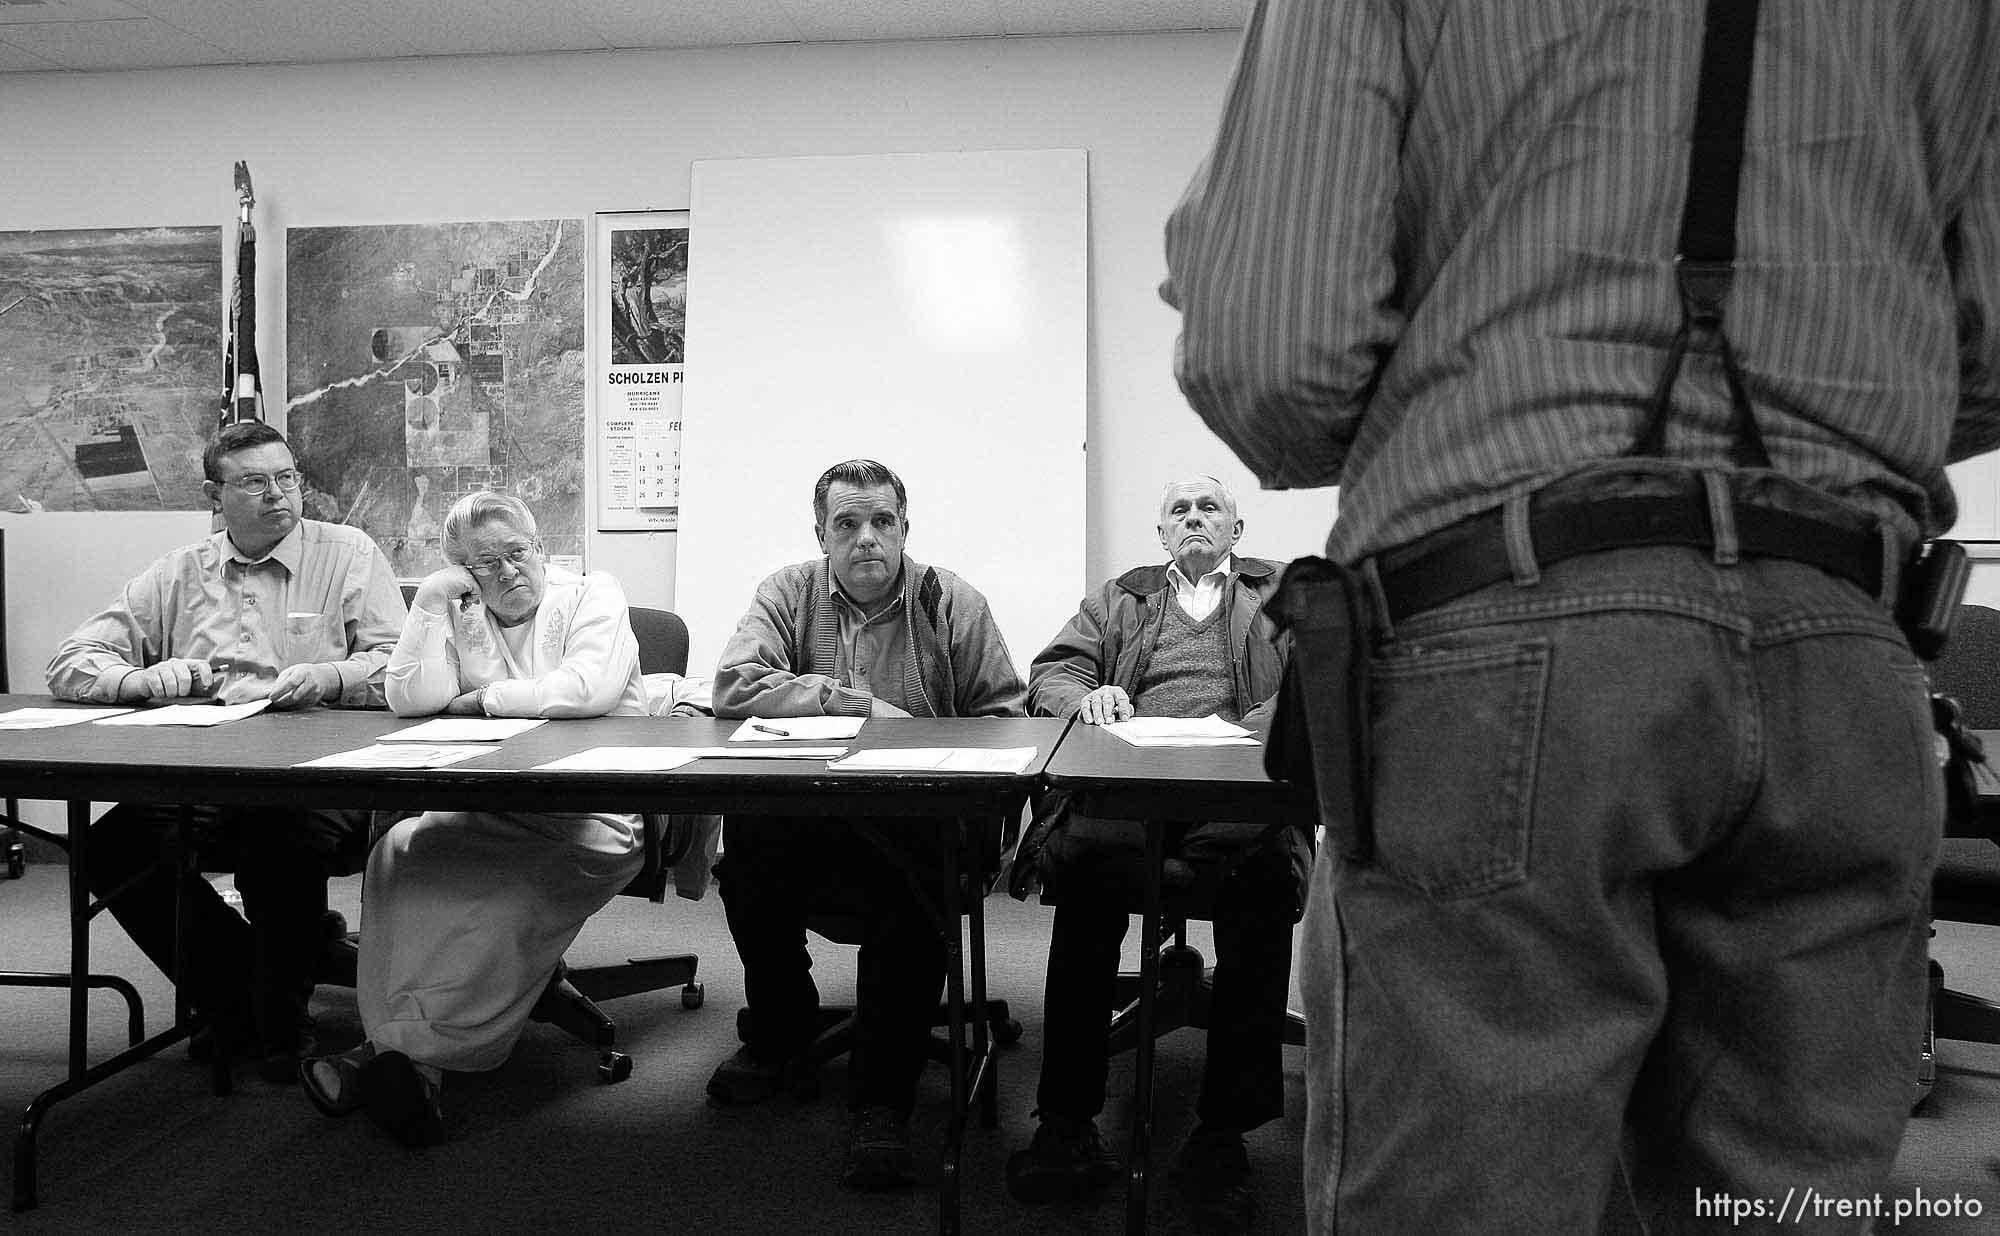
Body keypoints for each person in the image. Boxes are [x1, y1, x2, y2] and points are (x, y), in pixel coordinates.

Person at [1162, 2, 2000, 1231]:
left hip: (1503, 636)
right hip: (1846, 640)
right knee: (1786, 1206)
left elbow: (1270, 356)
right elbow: (1979, 360)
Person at [45, 420, 404, 1082]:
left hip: (316, 775)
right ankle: (240, 998)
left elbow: (401, 668)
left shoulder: (348, 554)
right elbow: (71, 659)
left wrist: (332, 677)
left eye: (288, 477)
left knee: (281, 836)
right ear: (216, 495)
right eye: (255, 482)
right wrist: (137, 679)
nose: (278, 495)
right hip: (205, 766)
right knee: (113, 848)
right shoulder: (181, 572)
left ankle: (277, 1021)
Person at [708, 458, 1025, 1190]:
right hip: (812, 815)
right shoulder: (787, 592)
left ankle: (883, 1101)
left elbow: (1008, 724)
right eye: (846, 524)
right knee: (748, 844)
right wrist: (853, 703)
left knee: (910, 882)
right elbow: (733, 684)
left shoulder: (952, 603)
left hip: (925, 820)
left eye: (882, 521)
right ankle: (783, 1031)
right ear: (820, 532)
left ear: (905, 528)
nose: (866, 539)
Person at [298, 491, 648, 1147]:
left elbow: (586, 689)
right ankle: (405, 1059)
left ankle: (392, 1057)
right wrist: (431, 601)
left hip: (587, 817)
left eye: (519, 553)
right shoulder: (456, 608)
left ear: (541, 549)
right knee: (398, 852)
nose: (510, 571)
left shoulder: (593, 593)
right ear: (463, 572)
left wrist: (481, 698)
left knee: (500, 898)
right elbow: (410, 697)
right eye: (486, 564)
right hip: (481, 806)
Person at [1007, 476, 1308, 1232]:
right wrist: (1087, 697)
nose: (1196, 518)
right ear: (1162, 533)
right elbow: (1054, 670)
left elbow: (1318, 679)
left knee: (1263, 882)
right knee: (1086, 872)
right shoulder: (1123, 597)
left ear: (1236, 529)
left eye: (1211, 508)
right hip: (1130, 789)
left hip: (1240, 796)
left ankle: (1222, 1134)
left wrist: (1268, 720)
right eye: (1181, 510)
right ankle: (1066, 1120)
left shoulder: (1280, 593)